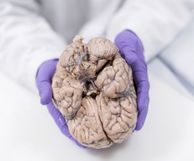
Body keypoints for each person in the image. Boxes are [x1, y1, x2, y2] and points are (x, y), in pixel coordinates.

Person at [0, 0, 193, 146]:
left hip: (147, 33)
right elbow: (7, 12)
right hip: (41, 38)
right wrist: (40, 57)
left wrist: (136, 31)